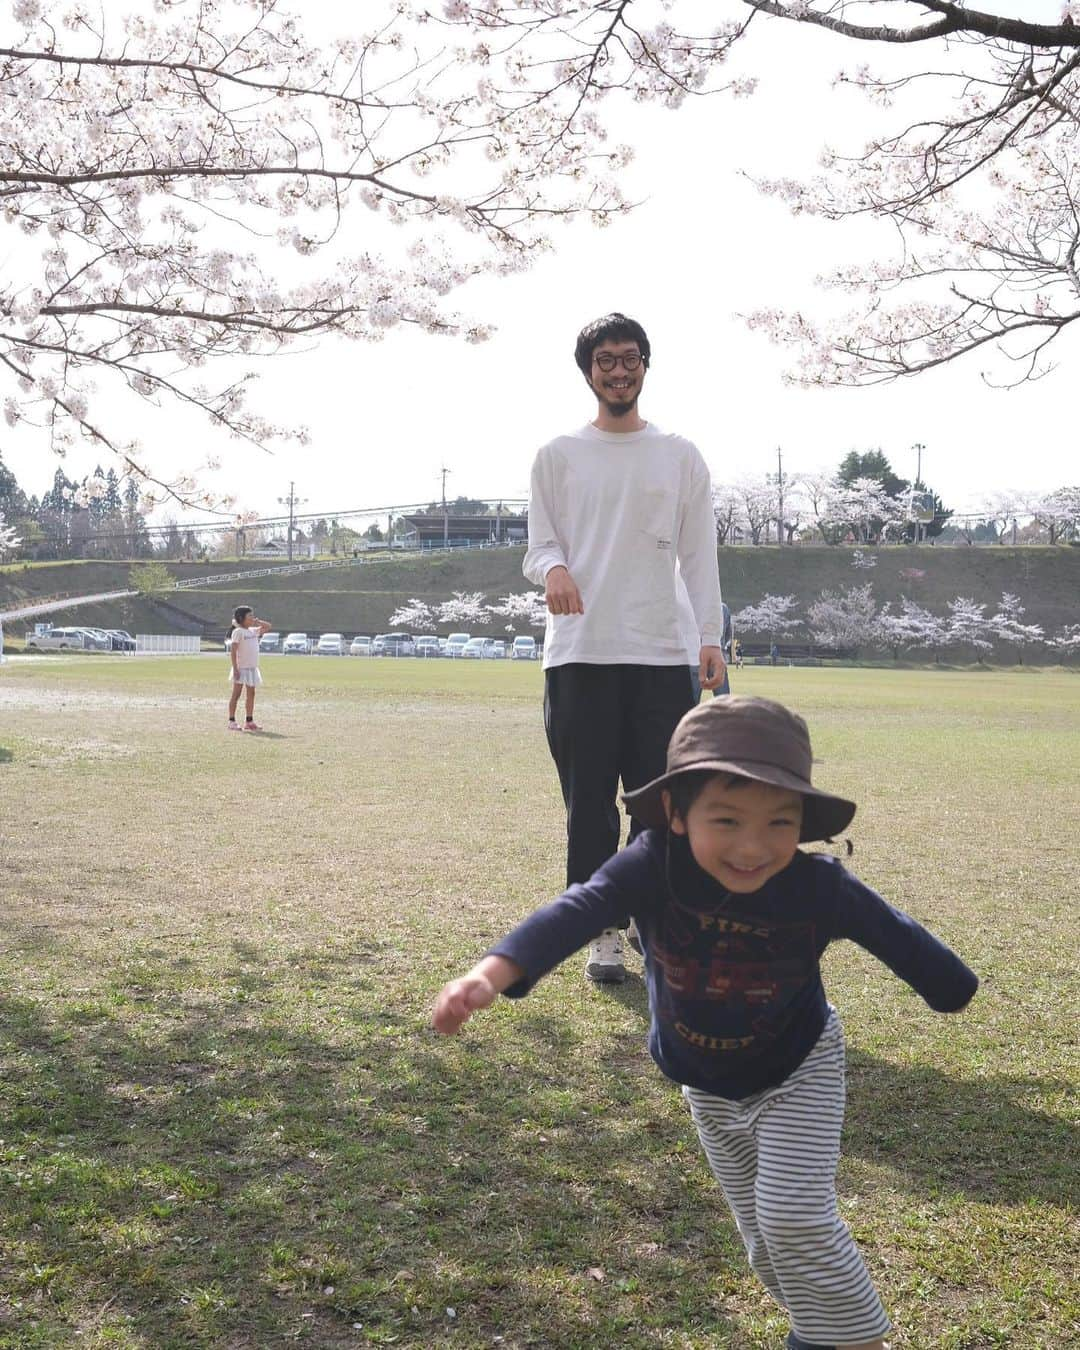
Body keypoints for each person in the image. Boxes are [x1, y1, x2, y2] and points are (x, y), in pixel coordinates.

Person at [432, 695, 977, 1350]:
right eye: (727, 819)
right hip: (706, 1086)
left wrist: (949, 986)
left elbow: (908, 944)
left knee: (794, 1217)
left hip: (797, 1069)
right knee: (763, 1242)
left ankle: (853, 1341)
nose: (754, 846)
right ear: (676, 813)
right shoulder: (651, 864)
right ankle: (818, 1328)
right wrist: (490, 974)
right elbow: (579, 910)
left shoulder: (820, 886)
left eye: (780, 822)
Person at [524, 312, 726, 983]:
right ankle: (600, 930)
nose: (618, 369)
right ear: (588, 371)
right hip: (581, 652)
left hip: (662, 651)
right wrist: (553, 570)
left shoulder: (680, 455)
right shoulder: (557, 454)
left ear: (645, 365)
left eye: (630, 357)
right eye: (605, 359)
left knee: (657, 803)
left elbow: (700, 555)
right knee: (587, 806)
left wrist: (709, 636)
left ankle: (649, 921)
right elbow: (540, 544)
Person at [227, 605, 271, 731]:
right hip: (241, 668)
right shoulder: (238, 632)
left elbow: (268, 626)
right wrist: (235, 668)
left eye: (252, 615)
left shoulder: (253, 630)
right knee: (236, 694)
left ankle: (249, 721)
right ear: (241, 618)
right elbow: (233, 651)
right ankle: (231, 721)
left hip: (252, 668)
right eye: (249, 616)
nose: (252, 618)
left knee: (251, 694)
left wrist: (257, 622)